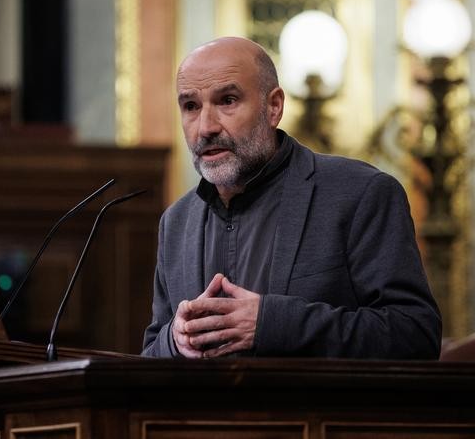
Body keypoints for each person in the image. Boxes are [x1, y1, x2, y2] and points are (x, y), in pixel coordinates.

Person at [141, 36, 441, 359]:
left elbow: (415, 335)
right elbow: (150, 352)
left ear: (274, 107)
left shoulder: (361, 194)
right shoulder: (176, 221)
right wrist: (175, 339)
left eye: (227, 100)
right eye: (190, 106)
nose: (205, 127)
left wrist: (271, 324)